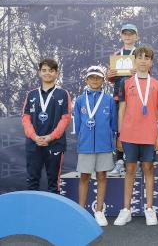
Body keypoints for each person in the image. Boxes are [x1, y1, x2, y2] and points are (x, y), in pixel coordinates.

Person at [113, 45, 158, 226]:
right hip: (129, 135)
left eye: (147, 58)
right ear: (134, 60)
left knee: (149, 169)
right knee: (130, 171)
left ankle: (149, 209)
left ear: (151, 62)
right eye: (140, 57)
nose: (143, 61)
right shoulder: (125, 83)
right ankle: (126, 209)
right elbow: (121, 109)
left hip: (149, 135)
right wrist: (119, 134)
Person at [74, 66, 117, 226]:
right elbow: (77, 125)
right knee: (84, 177)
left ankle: (99, 211)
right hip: (85, 146)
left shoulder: (109, 100)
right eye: (91, 77)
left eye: (98, 78)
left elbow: (113, 124)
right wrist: (81, 141)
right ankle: (81, 212)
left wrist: (110, 141)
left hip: (104, 146)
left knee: (101, 177)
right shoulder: (79, 100)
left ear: (103, 80)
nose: (94, 80)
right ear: (86, 80)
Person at [22, 58, 72, 193]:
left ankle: (53, 214)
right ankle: (31, 213)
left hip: (54, 143)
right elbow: (26, 118)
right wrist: (34, 137)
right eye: (44, 70)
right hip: (34, 143)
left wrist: (51, 137)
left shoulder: (63, 93)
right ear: (39, 73)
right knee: (32, 181)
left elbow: (66, 119)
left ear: (57, 73)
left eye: (51, 70)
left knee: (53, 183)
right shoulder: (31, 94)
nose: (47, 73)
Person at [107, 23, 139, 176]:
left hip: (136, 96)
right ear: (121, 36)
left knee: (135, 126)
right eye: (125, 34)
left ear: (136, 37)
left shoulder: (140, 54)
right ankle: (119, 161)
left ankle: (134, 160)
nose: (128, 36)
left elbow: (149, 73)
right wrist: (109, 76)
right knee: (119, 128)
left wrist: (137, 71)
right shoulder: (117, 54)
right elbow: (113, 78)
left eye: (131, 34)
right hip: (119, 96)